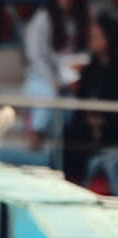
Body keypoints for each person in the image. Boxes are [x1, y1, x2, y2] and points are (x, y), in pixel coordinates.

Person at [22, 0, 90, 149]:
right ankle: (35, 140)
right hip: (41, 76)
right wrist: (52, 80)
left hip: (67, 77)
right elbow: (35, 55)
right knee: (48, 97)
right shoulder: (43, 18)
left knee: (74, 105)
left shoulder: (79, 18)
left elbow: (81, 53)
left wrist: (74, 77)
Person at [62, 10, 118, 188]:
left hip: (112, 125)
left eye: (96, 36)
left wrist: (102, 122)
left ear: (108, 39)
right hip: (89, 126)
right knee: (72, 131)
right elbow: (81, 102)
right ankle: (72, 184)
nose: (92, 41)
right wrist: (90, 120)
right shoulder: (89, 70)